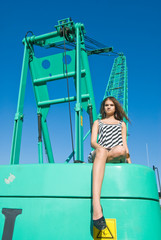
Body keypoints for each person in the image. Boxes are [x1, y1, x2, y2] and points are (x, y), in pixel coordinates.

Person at [90, 96, 131, 230]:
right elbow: (93, 142)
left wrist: (130, 163)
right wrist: (101, 148)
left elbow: (125, 144)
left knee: (121, 149)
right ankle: (96, 207)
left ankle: (101, 161)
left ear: (115, 108)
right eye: (106, 105)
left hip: (115, 153)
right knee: (101, 151)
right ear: (103, 107)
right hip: (100, 151)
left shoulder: (121, 124)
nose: (108, 107)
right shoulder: (98, 122)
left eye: (111, 105)